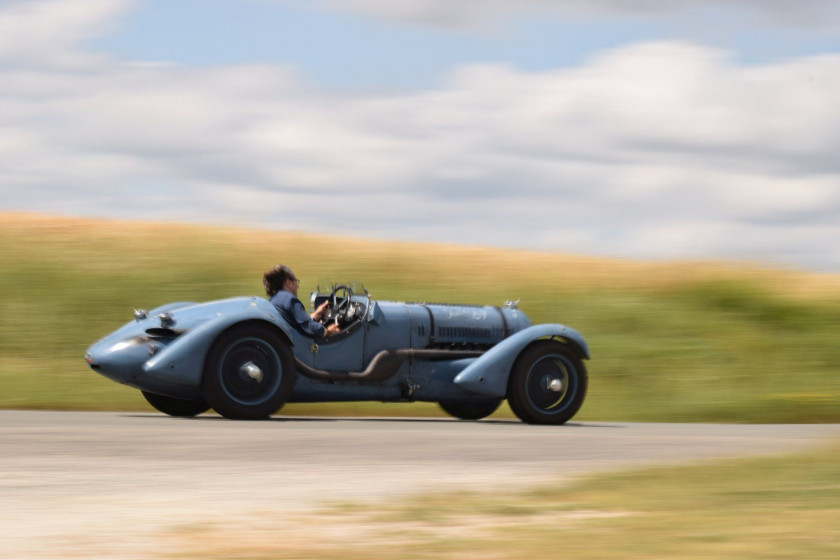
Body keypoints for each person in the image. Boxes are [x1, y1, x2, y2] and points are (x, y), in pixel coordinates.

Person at [263, 265, 340, 338]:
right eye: (296, 281)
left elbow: (298, 324)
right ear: (288, 283)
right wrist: (327, 331)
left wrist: (313, 317)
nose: (298, 286)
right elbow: (309, 327)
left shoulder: (272, 300)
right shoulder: (289, 299)